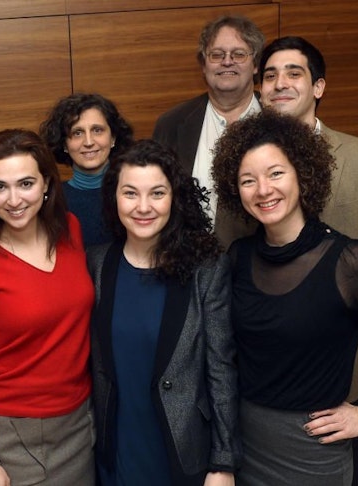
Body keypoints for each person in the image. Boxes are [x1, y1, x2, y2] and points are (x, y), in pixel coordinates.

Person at [210, 111, 358, 485]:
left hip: (312, 452)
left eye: (275, 173)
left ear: (302, 175)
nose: (263, 189)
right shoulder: (239, 256)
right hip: (245, 442)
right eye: (247, 180)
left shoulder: (348, 261)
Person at [258, 36, 358, 486]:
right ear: (258, 91)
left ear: (319, 86)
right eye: (269, 76)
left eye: (293, 73)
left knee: (351, 462)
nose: (280, 83)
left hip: (349, 361)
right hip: (266, 362)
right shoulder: (243, 162)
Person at [87, 139, 239, 486]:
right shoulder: (95, 264)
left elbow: (221, 370)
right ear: (114, 198)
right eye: (130, 193)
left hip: (182, 445)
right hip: (117, 445)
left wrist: (223, 462)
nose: (143, 207)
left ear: (175, 197)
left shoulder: (206, 269)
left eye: (157, 193)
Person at [0, 129, 95, 485]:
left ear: (46, 183)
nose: (13, 199)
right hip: (16, 434)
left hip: (81, 419)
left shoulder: (69, 230)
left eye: (26, 183)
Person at [152, 15, 265, 246]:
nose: (227, 62)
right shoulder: (171, 124)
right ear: (204, 65)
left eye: (238, 54)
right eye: (216, 55)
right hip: (190, 264)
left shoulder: (279, 122)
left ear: (255, 65)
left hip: (264, 267)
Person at [40, 93, 134, 246]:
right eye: (77, 133)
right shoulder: (51, 199)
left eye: (97, 130)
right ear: (64, 144)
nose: (89, 142)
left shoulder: (134, 192)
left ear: (113, 138)